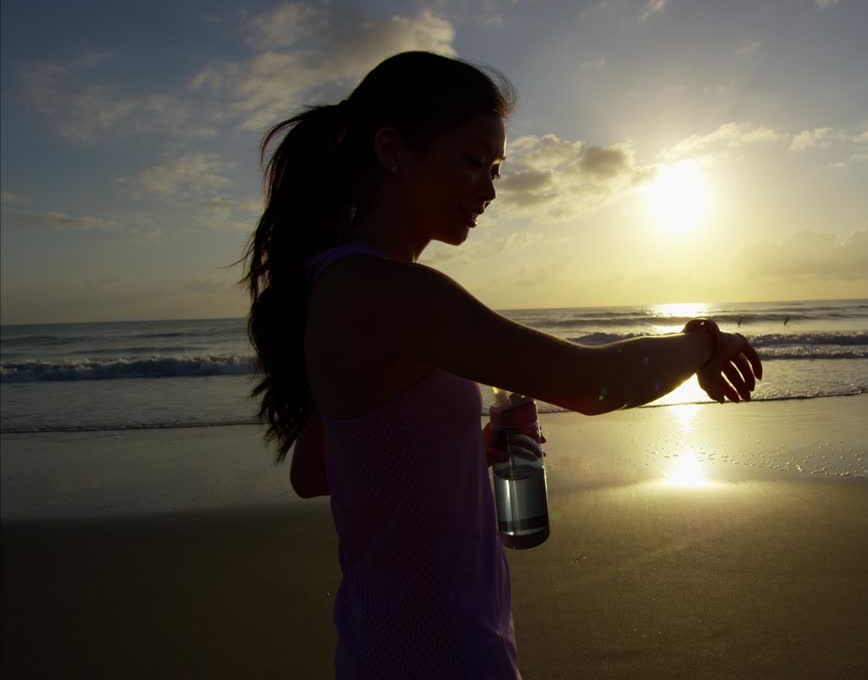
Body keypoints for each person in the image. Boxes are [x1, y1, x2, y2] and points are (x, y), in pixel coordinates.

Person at [240, 51, 763, 679]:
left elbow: (315, 466)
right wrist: (702, 342)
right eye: (470, 162)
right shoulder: (395, 294)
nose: (489, 190)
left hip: (379, 646)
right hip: (441, 649)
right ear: (392, 150)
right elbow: (594, 384)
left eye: (495, 170)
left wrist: (460, 445)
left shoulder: (342, 286)